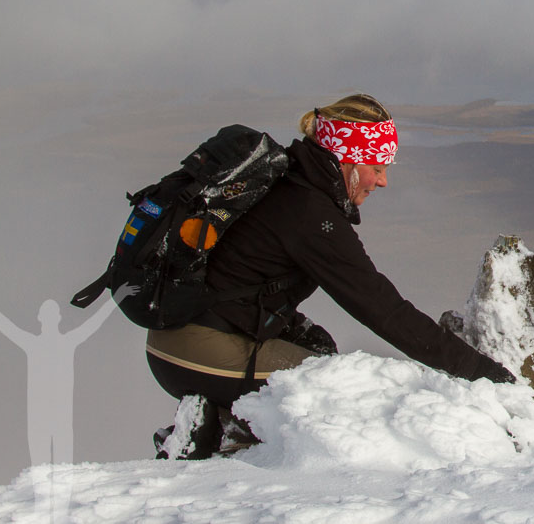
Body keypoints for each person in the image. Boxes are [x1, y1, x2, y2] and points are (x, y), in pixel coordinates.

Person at [145, 93, 515, 459]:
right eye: (378, 167)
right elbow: (384, 310)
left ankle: (216, 421)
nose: (382, 181)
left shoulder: (291, 179)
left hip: (179, 339)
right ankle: (218, 439)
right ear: (349, 162)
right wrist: (484, 373)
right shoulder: (310, 213)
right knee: (331, 386)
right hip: (196, 353)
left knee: (320, 349)